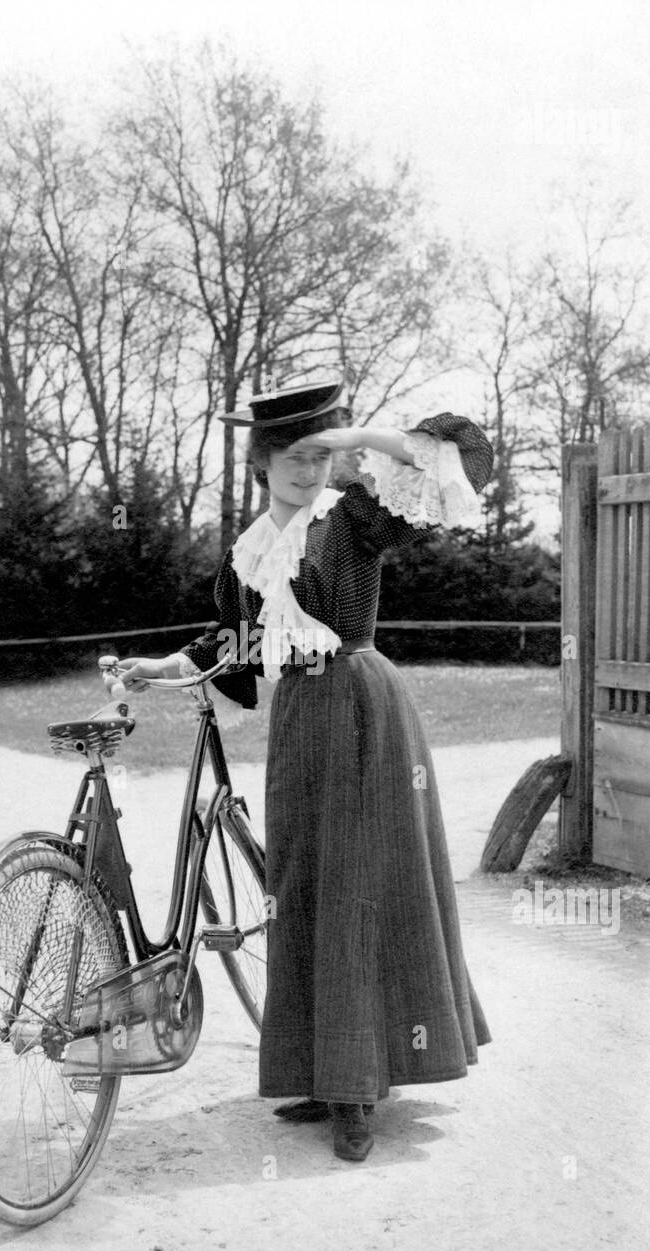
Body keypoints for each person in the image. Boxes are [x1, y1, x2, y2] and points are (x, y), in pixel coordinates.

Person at [105, 379, 493, 1163]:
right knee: (302, 887)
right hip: (300, 727)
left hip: (361, 707)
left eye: (319, 455)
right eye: (291, 456)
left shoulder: (351, 521)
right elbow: (232, 643)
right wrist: (161, 665)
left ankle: (359, 1092)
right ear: (262, 462)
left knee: (358, 885)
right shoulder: (248, 553)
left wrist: (357, 438)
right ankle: (324, 1072)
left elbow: (454, 462)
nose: (306, 469)